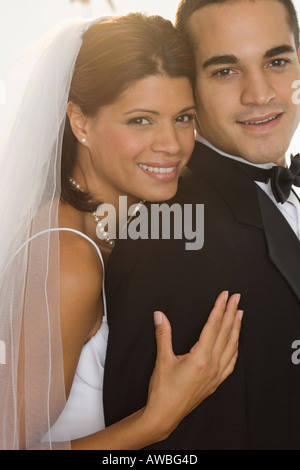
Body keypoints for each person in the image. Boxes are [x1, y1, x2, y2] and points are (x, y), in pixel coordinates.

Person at [0, 13, 243, 450]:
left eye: (183, 118)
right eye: (140, 120)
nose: (171, 144)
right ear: (81, 123)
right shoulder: (68, 261)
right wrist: (156, 421)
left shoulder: (115, 231)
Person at [103, 0, 300, 450]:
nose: (260, 94)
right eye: (226, 71)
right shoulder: (169, 237)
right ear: (189, 85)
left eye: (275, 61)